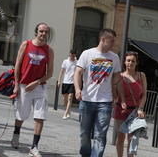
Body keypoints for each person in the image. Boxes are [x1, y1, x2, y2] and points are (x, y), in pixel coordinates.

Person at [74, 28, 122, 157]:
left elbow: (117, 76)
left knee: (100, 135)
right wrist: (78, 89)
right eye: (111, 41)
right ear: (103, 39)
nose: (113, 44)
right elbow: (77, 73)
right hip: (87, 100)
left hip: (105, 102)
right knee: (84, 134)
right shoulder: (87, 54)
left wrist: (115, 90)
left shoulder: (114, 57)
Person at [11, 23, 54, 157]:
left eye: (46, 32)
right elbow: (17, 66)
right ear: (36, 32)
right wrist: (17, 85)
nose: (43, 34)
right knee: (21, 115)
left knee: (40, 116)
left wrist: (37, 82)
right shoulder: (26, 44)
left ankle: (34, 147)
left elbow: (50, 73)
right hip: (24, 85)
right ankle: (16, 134)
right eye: (41, 31)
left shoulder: (49, 50)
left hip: (39, 87)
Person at [113, 51, 147, 157]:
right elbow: (115, 94)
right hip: (121, 110)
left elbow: (144, 94)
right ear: (124, 62)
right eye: (128, 60)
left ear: (136, 63)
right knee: (120, 137)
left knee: (132, 138)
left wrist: (141, 108)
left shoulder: (141, 76)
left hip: (135, 111)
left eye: (133, 61)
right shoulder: (120, 76)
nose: (130, 63)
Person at [57, 49, 77, 119]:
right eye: (71, 55)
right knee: (65, 99)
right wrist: (59, 80)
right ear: (69, 55)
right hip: (65, 82)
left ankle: (65, 114)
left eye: (73, 56)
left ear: (75, 56)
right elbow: (61, 71)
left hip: (72, 82)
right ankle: (68, 111)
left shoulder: (77, 62)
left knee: (70, 97)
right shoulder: (65, 61)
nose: (72, 57)